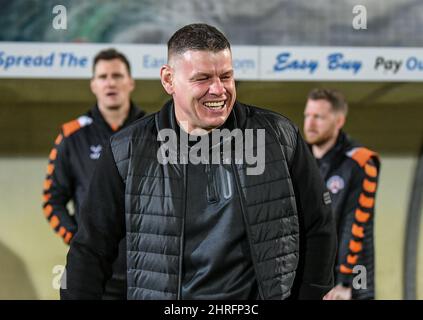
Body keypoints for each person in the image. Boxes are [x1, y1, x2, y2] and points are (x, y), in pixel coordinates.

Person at [61, 23, 337, 300]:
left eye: (226, 76)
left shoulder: (278, 136)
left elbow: (318, 225)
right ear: (168, 80)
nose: (218, 90)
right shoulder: (127, 149)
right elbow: (91, 248)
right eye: (202, 78)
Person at [42, 48, 145, 299]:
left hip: (147, 272)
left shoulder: (152, 133)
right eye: (103, 77)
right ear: (93, 85)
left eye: (117, 76)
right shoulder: (71, 135)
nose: (110, 82)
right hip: (95, 274)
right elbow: (51, 200)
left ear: (130, 83)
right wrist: (80, 240)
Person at [303, 88, 380, 300]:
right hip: (310, 281)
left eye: (318, 117)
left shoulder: (361, 163)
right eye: (307, 115)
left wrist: (348, 283)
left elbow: (357, 228)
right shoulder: (298, 159)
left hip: (348, 282)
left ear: (338, 121)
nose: (310, 123)